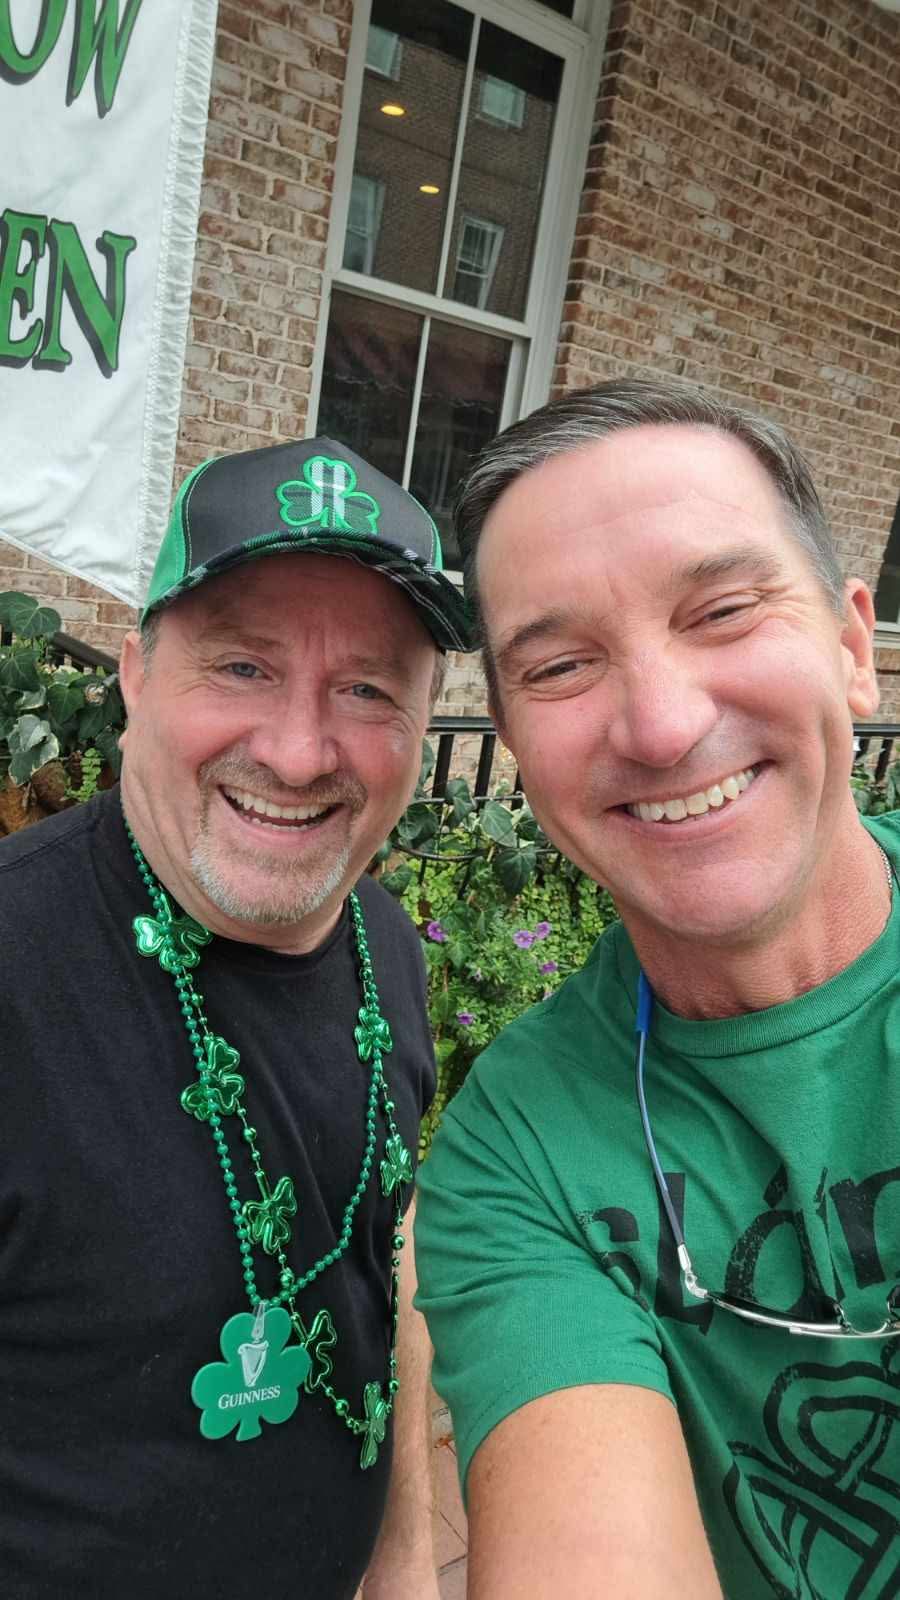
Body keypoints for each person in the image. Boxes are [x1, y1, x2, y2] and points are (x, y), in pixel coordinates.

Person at [415, 377, 900, 1599]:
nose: (664, 724)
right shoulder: (519, 1155)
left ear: (853, 649)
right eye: (561, 664)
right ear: (516, 747)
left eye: (724, 610)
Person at [0, 436, 473, 1598]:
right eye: (243, 666)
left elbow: (386, 1245)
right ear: (134, 672)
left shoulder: (386, 942)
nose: (298, 752)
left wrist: (406, 1559)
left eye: (368, 688)